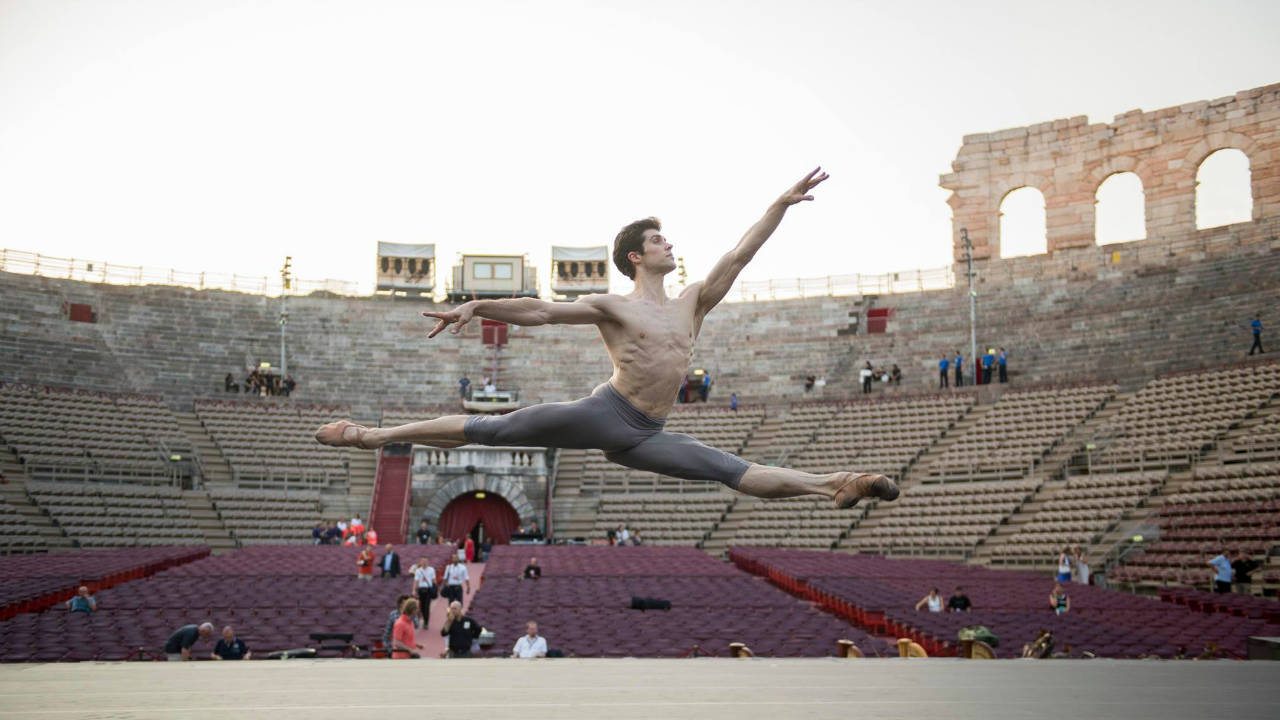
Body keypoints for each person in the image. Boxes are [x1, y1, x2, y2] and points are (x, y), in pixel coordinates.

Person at [315, 169, 898, 513]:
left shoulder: (692, 301)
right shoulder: (613, 306)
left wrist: (777, 206)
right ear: (635, 257)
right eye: (658, 240)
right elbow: (540, 311)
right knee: (495, 429)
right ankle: (372, 436)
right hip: (607, 413)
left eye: (667, 238)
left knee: (732, 470)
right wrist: (478, 303)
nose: (670, 245)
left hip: (646, 433)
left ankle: (836, 486)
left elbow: (739, 254)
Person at [409, 557, 438, 626]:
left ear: (428, 562)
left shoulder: (431, 570)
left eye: (425, 561)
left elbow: (434, 580)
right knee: (422, 606)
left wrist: (436, 589)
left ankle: (426, 622)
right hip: (421, 590)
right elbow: (416, 581)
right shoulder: (418, 570)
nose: (424, 563)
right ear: (420, 562)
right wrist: (414, 590)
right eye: (423, 561)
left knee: (427, 606)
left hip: (428, 590)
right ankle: (425, 618)